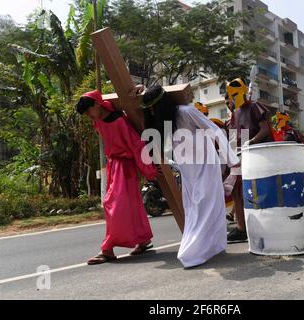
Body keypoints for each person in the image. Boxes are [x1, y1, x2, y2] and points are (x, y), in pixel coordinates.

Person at [141, 85, 239, 268]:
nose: (152, 113)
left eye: (153, 108)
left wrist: (232, 161)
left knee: (206, 208)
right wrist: (143, 90)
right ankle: (212, 247)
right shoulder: (168, 120)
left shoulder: (186, 112)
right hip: (188, 172)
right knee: (195, 209)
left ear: (160, 105)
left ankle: (193, 252)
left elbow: (215, 130)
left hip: (206, 167)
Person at [76, 89, 157, 265]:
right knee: (131, 205)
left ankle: (107, 249)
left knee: (112, 204)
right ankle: (143, 240)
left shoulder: (120, 121)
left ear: (97, 104)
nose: (89, 116)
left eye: (89, 111)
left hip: (124, 166)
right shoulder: (98, 122)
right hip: (113, 165)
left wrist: (148, 170)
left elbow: (137, 145)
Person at [226, 78, 273, 243]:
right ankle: (241, 228)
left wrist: (251, 142)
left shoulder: (255, 106)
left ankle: (266, 224)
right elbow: (233, 136)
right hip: (240, 154)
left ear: (244, 89)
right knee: (236, 190)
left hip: (259, 154)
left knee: (260, 189)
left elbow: (265, 129)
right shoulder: (235, 113)